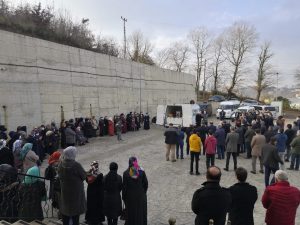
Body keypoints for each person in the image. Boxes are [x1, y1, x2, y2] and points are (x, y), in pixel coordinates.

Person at [58, 147, 86, 225]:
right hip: (75, 192)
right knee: (75, 214)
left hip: (65, 191)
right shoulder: (76, 165)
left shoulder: (61, 164)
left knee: (66, 210)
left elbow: (59, 175)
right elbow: (83, 176)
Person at [122, 157, 148, 225]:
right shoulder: (141, 171)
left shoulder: (126, 173)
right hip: (141, 196)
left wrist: (124, 197)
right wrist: (143, 193)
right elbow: (145, 184)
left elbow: (124, 187)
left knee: (131, 214)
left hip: (130, 197)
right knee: (141, 213)